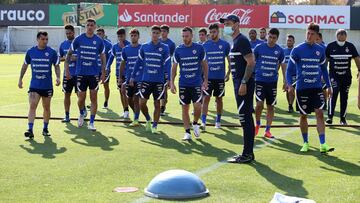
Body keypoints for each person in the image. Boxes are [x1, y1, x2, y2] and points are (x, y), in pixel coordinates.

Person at [286, 23, 334, 153]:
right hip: (302, 89)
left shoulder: (321, 50)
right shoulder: (297, 49)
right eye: (308, 33)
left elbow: (324, 70)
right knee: (303, 116)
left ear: (317, 36)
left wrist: (329, 86)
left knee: (319, 113)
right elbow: (289, 70)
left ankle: (323, 144)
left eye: (312, 34)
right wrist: (290, 85)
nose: (309, 35)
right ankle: (305, 142)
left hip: (317, 88)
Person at [220, 15, 256, 164]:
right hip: (238, 84)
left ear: (236, 24)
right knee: (244, 118)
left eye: (228, 23)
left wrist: (243, 82)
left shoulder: (241, 40)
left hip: (243, 85)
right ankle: (248, 153)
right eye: (225, 24)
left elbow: (251, 62)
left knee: (245, 118)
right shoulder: (234, 41)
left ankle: (247, 154)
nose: (226, 26)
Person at [65, 18, 106, 131]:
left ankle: (92, 122)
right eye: (88, 25)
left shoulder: (98, 41)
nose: (89, 27)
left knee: (94, 97)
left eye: (92, 25)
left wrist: (104, 71)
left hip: (93, 74)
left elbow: (103, 56)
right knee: (81, 98)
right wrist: (67, 69)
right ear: (85, 26)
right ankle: (82, 112)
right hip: (81, 73)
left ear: (95, 26)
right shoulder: (79, 39)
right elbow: (69, 54)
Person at [18, 31, 60, 139]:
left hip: (47, 86)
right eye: (43, 39)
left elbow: (56, 65)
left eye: (46, 39)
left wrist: (58, 77)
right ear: (37, 39)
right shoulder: (30, 51)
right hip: (34, 86)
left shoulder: (52, 52)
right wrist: (20, 79)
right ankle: (30, 129)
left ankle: (45, 129)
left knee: (46, 108)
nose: (45, 41)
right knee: (32, 106)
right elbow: (24, 66)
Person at [129, 25, 170, 134]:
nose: (155, 35)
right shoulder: (144, 47)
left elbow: (168, 64)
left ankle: (155, 126)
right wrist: (133, 76)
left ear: (160, 34)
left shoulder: (165, 47)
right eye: (153, 33)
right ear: (150, 34)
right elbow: (138, 62)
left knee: (157, 104)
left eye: (157, 33)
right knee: (142, 103)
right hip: (146, 80)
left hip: (159, 81)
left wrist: (169, 78)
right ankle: (148, 119)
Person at [170, 26, 208, 141]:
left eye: (186, 36)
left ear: (192, 36)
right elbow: (174, 68)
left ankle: (195, 123)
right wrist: (172, 82)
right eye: (183, 36)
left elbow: (205, 65)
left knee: (197, 106)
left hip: (196, 83)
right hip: (183, 83)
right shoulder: (178, 50)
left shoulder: (199, 48)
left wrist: (206, 80)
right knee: (185, 108)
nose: (184, 38)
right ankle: (187, 132)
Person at [254, 28, 286, 139]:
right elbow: (252, 62)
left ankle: (268, 130)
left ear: (277, 39)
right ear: (267, 35)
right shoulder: (259, 48)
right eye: (270, 37)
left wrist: (285, 80)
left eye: (274, 38)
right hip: (259, 80)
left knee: (271, 106)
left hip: (272, 82)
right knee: (259, 105)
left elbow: (283, 65)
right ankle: (257, 123)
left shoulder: (280, 50)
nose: (271, 40)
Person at [326, 29, 360, 125]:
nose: (341, 37)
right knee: (334, 92)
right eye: (340, 36)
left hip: (346, 77)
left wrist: (359, 70)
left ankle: (343, 119)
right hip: (334, 76)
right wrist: (323, 74)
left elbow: (357, 58)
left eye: (343, 35)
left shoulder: (350, 46)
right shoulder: (330, 46)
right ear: (336, 36)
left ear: (346, 37)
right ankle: (330, 117)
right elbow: (325, 61)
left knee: (344, 97)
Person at [201, 23, 231, 130]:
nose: (212, 34)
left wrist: (228, 73)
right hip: (208, 78)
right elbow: (201, 62)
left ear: (218, 32)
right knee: (206, 99)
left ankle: (218, 121)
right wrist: (202, 76)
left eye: (214, 32)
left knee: (219, 99)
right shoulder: (205, 45)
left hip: (220, 78)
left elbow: (229, 59)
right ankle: (203, 122)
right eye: (211, 32)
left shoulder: (225, 45)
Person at [119, 28, 143, 127]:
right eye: (132, 36)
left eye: (135, 35)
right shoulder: (126, 49)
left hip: (140, 78)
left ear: (138, 37)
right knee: (129, 99)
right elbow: (122, 64)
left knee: (136, 99)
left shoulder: (143, 48)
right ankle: (136, 114)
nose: (133, 37)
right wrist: (121, 78)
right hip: (129, 78)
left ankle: (136, 119)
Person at [106, 28, 131, 118]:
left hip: (129, 73)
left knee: (129, 93)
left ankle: (133, 110)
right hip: (119, 73)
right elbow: (111, 58)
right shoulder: (115, 46)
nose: (120, 38)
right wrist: (107, 67)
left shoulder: (129, 45)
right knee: (121, 91)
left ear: (125, 35)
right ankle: (125, 110)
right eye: (119, 36)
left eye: (122, 36)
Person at [59, 24, 81, 122]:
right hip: (67, 74)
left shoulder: (79, 43)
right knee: (66, 94)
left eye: (70, 33)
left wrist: (75, 58)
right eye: (67, 33)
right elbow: (59, 58)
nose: (68, 35)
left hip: (78, 73)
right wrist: (67, 58)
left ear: (74, 33)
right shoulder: (63, 45)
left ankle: (82, 111)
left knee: (79, 95)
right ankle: (67, 115)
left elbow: (84, 56)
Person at [160, 24, 176, 116]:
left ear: (167, 32)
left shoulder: (171, 44)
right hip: (158, 68)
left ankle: (162, 107)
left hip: (166, 68)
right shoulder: (157, 42)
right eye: (161, 31)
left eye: (164, 31)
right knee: (159, 87)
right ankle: (161, 104)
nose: (162, 33)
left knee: (165, 88)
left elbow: (171, 57)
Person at [96, 28, 113, 109]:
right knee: (93, 86)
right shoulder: (94, 43)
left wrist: (107, 67)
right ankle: (93, 102)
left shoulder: (109, 45)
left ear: (103, 34)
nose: (98, 35)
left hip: (105, 69)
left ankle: (106, 101)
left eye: (100, 33)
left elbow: (110, 58)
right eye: (97, 33)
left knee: (106, 85)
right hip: (95, 68)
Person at [283, 34, 296, 113]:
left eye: (290, 41)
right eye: (288, 40)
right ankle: (290, 105)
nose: (289, 42)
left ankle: (294, 104)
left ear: (293, 42)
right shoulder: (283, 51)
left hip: (296, 74)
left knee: (294, 90)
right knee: (288, 90)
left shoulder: (296, 50)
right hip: (288, 75)